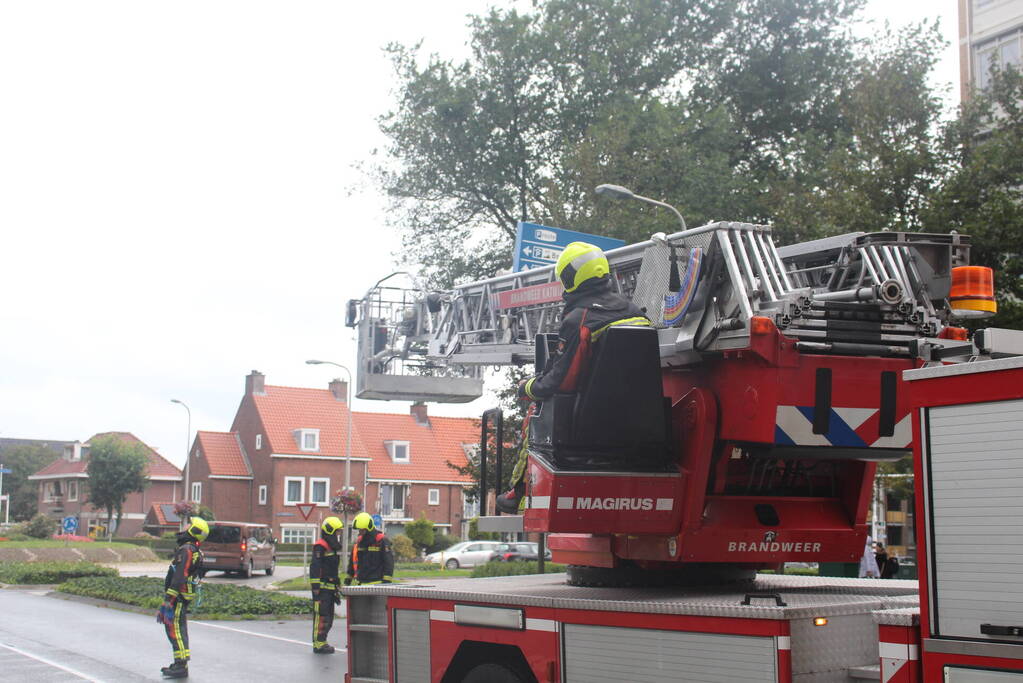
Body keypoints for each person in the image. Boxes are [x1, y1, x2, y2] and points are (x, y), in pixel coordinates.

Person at [496, 241, 650, 513]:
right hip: (641, 420)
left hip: (588, 421)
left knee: (536, 410)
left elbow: (562, 380)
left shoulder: (580, 318)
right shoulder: (635, 312)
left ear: (570, 277)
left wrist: (527, 387)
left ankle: (518, 493)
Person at [156, 516, 208, 679]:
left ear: (194, 531)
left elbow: (179, 576)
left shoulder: (187, 550)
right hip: (182, 595)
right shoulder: (192, 549)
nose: (185, 527)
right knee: (178, 628)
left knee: (174, 628)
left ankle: (180, 665)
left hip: (178, 596)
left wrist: (168, 601)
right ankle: (180, 662)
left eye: (188, 525)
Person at [309, 516, 344, 654]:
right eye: (337, 532)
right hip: (322, 590)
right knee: (321, 616)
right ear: (330, 531)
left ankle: (323, 641)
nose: (339, 535)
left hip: (330, 589)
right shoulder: (320, 546)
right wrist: (316, 588)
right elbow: (315, 568)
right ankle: (318, 644)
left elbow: (332, 568)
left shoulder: (332, 547)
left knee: (329, 617)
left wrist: (337, 584)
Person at [345, 512, 394, 586]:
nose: (360, 532)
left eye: (362, 530)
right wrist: (348, 578)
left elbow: (388, 563)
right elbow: (353, 561)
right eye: (359, 530)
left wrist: (386, 582)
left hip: (377, 585)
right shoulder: (359, 541)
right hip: (361, 583)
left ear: (369, 528)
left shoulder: (381, 540)